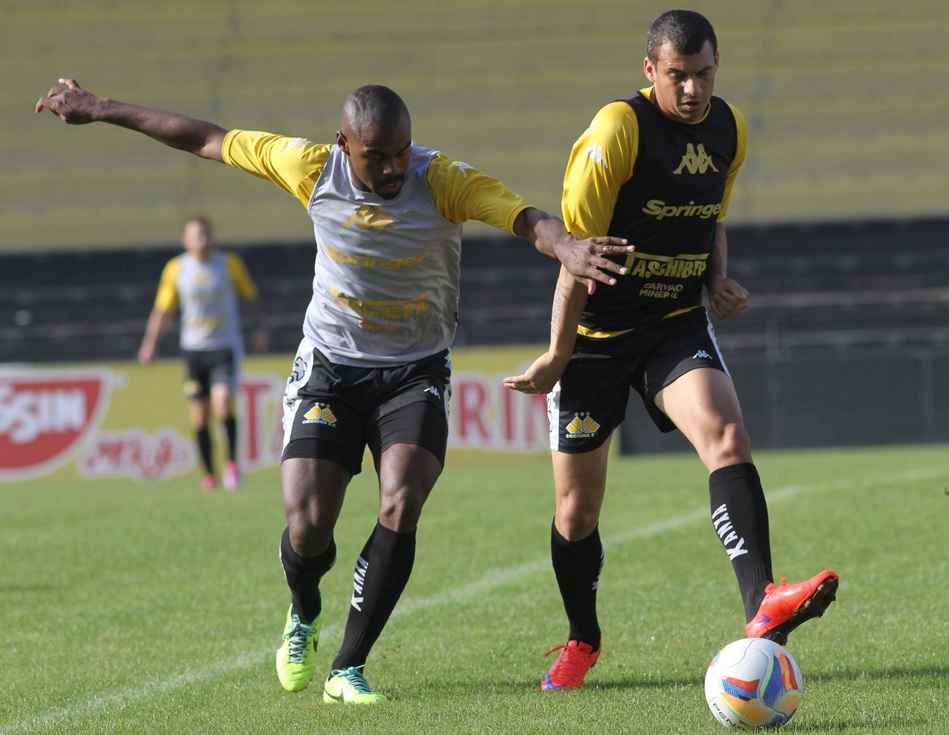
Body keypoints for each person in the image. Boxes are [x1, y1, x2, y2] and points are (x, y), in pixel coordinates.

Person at [36, 79, 633, 703]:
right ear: (344, 144)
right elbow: (206, 139)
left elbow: (523, 218)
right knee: (308, 526)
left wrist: (566, 247)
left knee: (402, 499)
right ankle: (303, 612)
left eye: (402, 151)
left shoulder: (441, 179)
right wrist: (100, 109)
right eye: (378, 156)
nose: (395, 167)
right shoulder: (310, 167)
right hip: (331, 369)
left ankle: (348, 668)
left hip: (415, 370)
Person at [503, 9, 839, 691]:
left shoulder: (729, 128)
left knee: (727, 435)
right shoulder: (617, 131)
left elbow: (710, 217)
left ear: (717, 66)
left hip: (673, 323)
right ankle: (582, 639)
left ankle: (762, 601)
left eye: (703, 73)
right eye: (677, 75)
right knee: (576, 512)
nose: (692, 89)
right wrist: (557, 354)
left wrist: (715, 280)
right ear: (649, 70)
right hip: (596, 338)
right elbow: (575, 257)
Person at [138, 215, 268, 492]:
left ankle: (231, 463)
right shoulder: (176, 269)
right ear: (185, 240)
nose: (203, 239)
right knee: (199, 416)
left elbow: (250, 296)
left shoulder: (229, 263)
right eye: (196, 235)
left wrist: (259, 328)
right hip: (193, 351)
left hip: (224, 346)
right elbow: (163, 309)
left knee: (223, 404)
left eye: (206, 234)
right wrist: (150, 343)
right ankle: (209, 474)